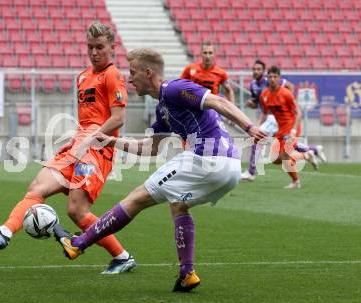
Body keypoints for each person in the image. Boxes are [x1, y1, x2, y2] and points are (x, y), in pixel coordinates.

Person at [52, 48, 267, 292]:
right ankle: (187, 274)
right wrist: (110, 141)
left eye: (133, 73)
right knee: (178, 204)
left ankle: (79, 243)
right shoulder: (162, 108)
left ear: (148, 72)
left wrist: (249, 127)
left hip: (208, 157)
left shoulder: (174, 89)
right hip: (229, 169)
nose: (129, 79)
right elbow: (151, 148)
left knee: (136, 198)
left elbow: (218, 101)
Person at [0, 21, 137, 274]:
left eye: (99, 47)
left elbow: (118, 119)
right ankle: (3, 233)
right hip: (77, 146)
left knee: (77, 212)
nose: (94, 52)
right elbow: (88, 119)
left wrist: (90, 140)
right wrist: (76, 141)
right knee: (36, 188)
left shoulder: (113, 75)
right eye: (90, 47)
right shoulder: (82, 77)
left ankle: (122, 257)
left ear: (112, 48)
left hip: (98, 150)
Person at [241, 60, 326, 181]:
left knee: (262, 141)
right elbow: (260, 104)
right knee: (278, 155)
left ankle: (251, 172)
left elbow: (289, 86)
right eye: (254, 69)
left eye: (259, 69)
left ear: (263, 71)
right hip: (272, 117)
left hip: (277, 118)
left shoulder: (271, 81)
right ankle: (312, 150)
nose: (256, 71)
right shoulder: (253, 85)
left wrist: (285, 102)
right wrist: (251, 104)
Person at [259, 65, 315, 189]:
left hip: (291, 126)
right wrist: (258, 128)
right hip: (280, 129)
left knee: (285, 157)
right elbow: (264, 113)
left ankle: (296, 182)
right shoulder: (264, 95)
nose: (272, 79)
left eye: (275, 76)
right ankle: (306, 155)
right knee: (275, 159)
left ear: (279, 78)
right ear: (267, 78)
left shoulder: (286, 94)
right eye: (270, 77)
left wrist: (294, 130)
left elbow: (298, 112)